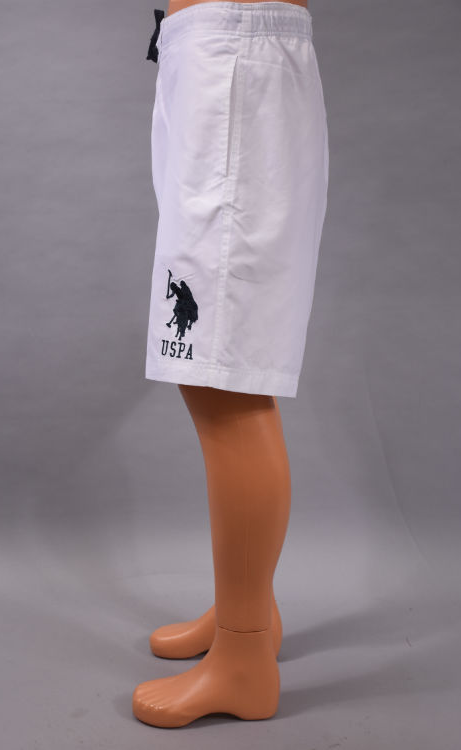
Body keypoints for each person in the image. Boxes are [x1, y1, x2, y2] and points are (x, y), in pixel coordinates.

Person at [134, 0, 328, 727]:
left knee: (222, 380)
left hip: (232, 59)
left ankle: (244, 661)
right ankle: (248, 611)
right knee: (217, 367)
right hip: (210, 54)